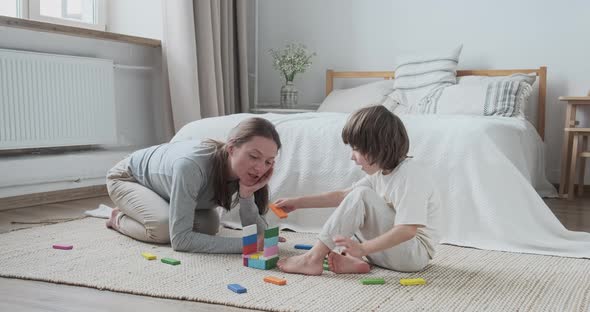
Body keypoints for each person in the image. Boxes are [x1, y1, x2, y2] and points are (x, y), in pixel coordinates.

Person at [275, 105, 441, 275]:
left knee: (361, 196)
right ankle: (353, 261)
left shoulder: (409, 175)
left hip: (413, 254)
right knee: (353, 210)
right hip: (391, 252)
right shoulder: (381, 173)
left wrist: (363, 248)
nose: (351, 157)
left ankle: (312, 259)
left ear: (378, 147)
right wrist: (297, 202)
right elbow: (343, 196)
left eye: (356, 149)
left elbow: (407, 230)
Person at [105, 117, 281, 253]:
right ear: (231, 148)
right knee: (163, 229)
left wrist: (247, 195)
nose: (260, 168)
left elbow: (258, 234)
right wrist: (245, 245)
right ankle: (118, 218)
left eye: (268, 161)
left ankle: (151, 209)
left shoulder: (245, 173)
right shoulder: (191, 166)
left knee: (210, 226)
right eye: (254, 156)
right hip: (128, 179)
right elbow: (180, 241)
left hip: (165, 190)